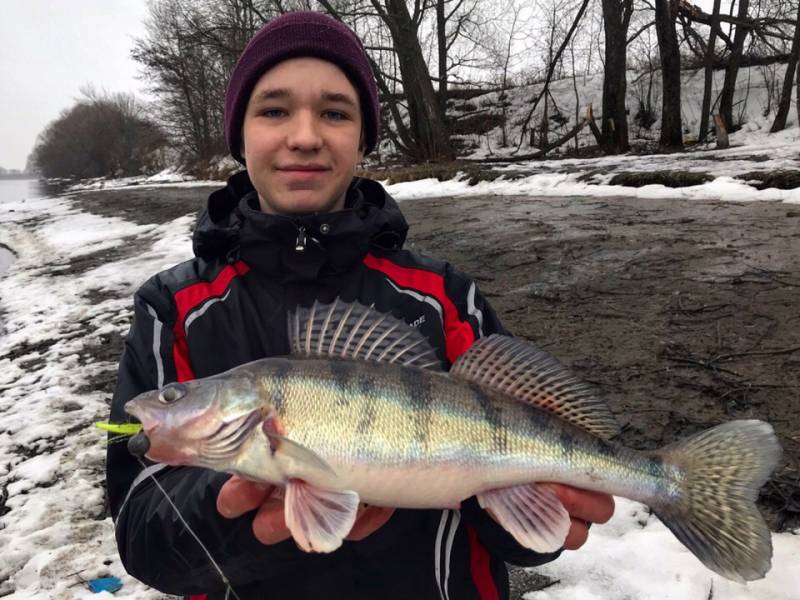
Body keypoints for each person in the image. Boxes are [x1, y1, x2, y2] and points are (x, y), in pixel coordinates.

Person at [106, 11, 614, 600]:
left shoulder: (441, 298)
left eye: (335, 112)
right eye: (273, 110)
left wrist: (529, 521)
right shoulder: (174, 310)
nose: (304, 136)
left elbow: (528, 537)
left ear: (364, 139)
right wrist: (235, 518)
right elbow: (143, 537)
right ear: (239, 135)